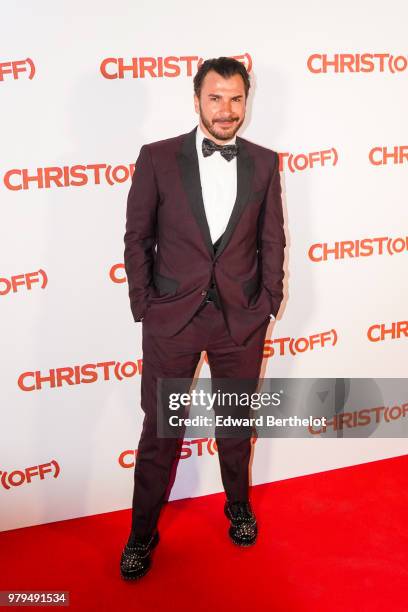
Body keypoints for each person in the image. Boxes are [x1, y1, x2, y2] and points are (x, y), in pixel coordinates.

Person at [120, 56, 286, 580]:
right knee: (160, 435)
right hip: (172, 320)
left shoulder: (264, 162)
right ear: (197, 101)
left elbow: (272, 239)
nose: (227, 110)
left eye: (236, 99)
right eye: (216, 98)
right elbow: (137, 238)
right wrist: (146, 305)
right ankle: (141, 533)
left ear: (246, 102)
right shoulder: (158, 158)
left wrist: (268, 303)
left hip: (242, 320)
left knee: (235, 426)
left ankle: (237, 505)